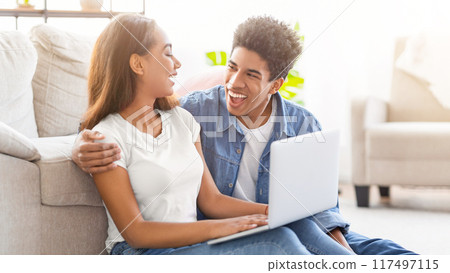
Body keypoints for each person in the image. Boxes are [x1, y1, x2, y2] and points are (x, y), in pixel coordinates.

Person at [73, 15, 416, 255]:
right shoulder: (194, 111)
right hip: (163, 247)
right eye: (232, 67)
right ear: (137, 64)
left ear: (275, 84)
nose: (234, 84)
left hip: (248, 230)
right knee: (281, 239)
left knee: (391, 255)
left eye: (251, 74)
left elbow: (321, 213)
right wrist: (79, 145)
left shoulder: (184, 120)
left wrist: (274, 214)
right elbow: (136, 228)